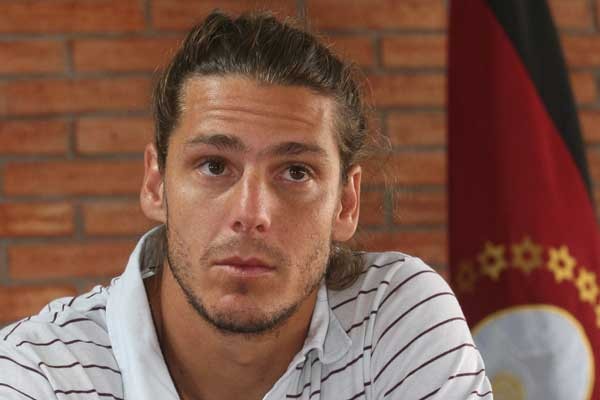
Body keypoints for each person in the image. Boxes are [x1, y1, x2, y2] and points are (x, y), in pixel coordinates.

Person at [0, 10, 493, 400]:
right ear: (156, 184)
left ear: (346, 203)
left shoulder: (395, 320)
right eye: (214, 165)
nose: (252, 213)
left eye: (295, 172)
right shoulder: (36, 374)